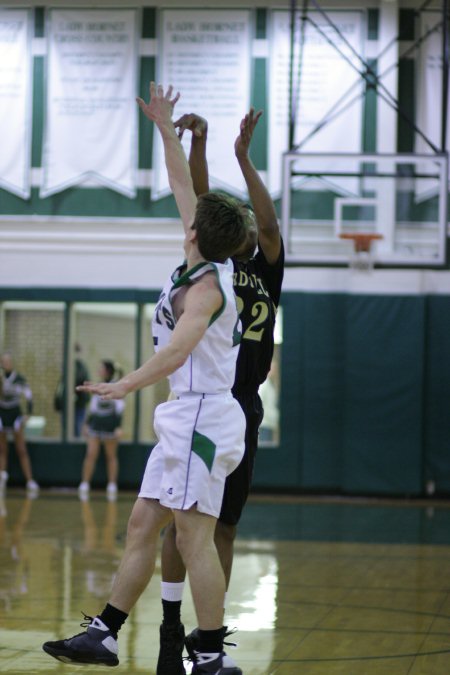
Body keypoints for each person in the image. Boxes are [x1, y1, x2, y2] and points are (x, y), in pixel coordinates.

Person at [42, 82, 248, 675]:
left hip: (201, 416)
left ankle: (209, 655)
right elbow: (184, 184)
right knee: (140, 524)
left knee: (192, 539)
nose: (183, 215)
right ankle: (105, 633)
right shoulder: (202, 255)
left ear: (194, 232)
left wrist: (123, 384)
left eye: (188, 218)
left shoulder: (206, 289)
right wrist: (163, 127)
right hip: (185, 417)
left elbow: (179, 352)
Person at [156, 108, 284, 674]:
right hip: (205, 400)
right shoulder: (214, 265)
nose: (252, 221)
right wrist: (201, 145)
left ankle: (210, 633)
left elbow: (270, 223)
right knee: (183, 520)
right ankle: (169, 623)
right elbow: (203, 200)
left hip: (243, 407)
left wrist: (243, 157)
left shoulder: (267, 266)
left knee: (223, 525)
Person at [78, 360, 125, 501]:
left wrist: (118, 426)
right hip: (96, 425)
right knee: (91, 454)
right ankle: (85, 484)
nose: (99, 370)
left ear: (108, 371)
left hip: (110, 425)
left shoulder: (116, 386)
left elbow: (120, 408)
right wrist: (86, 424)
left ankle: (112, 485)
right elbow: (93, 408)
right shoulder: (99, 386)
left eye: (101, 368)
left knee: (111, 455)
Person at [0, 352, 39, 495]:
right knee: (2, 449)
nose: (6, 364)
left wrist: (28, 414)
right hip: (2, 413)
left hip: (15, 413)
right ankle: (2, 478)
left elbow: (29, 396)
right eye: (3, 361)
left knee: (21, 449)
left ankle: (30, 480)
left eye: (8, 361)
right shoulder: (1, 378)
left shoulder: (20, 379)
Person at [54, 343, 90, 437]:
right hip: (66, 406)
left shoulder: (79, 366)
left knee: (76, 430)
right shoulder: (67, 367)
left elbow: (78, 381)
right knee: (66, 431)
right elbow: (61, 387)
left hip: (77, 405)